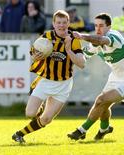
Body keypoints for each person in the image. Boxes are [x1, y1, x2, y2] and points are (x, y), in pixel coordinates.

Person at [12, 9, 86, 143]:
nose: (61, 25)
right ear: (53, 23)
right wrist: (35, 56)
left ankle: (19, 134)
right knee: (30, 114)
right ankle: (38, 108)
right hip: (46, 80)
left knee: (46, 119)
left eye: (64, 22)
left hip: (64, 84)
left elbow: (82, 64)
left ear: (69, 23)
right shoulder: (46, 37)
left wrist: (68, 50)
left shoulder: (73, 39)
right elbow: (33, 54)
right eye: (58, 22)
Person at [67, 13, 124, 141]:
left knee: (101, 100)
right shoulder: (94, 45)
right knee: (102, 104)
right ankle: (104, 129)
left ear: (109, 27)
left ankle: (81, 130)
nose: (98, 29)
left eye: (101, 26)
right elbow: (82, 57)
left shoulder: (114, 37)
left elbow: (101, 40)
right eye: (96, 26)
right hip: (114, 79)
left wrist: (82, 36)